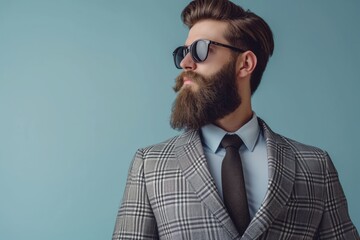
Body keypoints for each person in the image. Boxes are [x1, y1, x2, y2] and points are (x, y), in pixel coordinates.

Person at [113, 0, 359, 239]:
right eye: (183, 53)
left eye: (200, 50)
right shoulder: (150, 166)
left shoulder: (315, 166)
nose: (186, 63)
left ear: (245, 64)